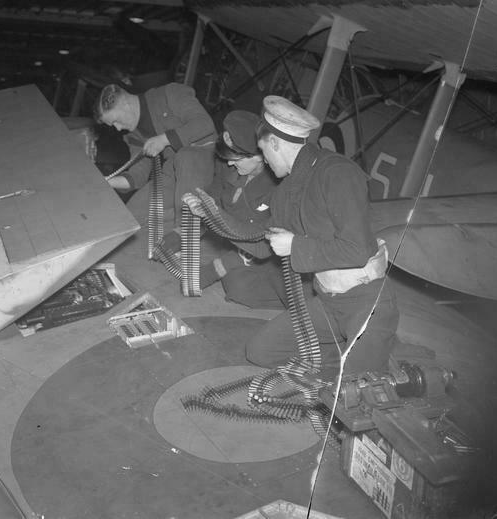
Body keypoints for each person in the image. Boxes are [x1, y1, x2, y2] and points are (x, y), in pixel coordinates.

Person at [244, 95, 399, 377]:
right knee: (260, 351)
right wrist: (212, 217)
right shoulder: (287, 189)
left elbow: (357, 250)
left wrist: (294, 245)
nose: (263, 160)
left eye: (263, 149)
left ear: (275, 143)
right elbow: (264, 246)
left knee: (355, 390)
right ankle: (351, 357)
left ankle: (375, 355)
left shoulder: (337, 173)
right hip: (327, 303)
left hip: (364, 304)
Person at [175, 110, 287, 309]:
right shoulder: (230, 166)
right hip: (240, 244)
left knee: (239, 288)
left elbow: (262, 243)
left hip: (274, 253)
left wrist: (216, 268)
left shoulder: (279, 186)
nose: (229, 163)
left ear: (261, 155)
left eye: (237, 159)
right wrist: (195, 212)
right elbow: (215, 194)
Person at [94, 82, 216, 227]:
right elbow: (138, 175)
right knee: (131, 219)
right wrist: (105, 182)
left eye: (116, 121)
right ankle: (179, 223)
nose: (118, 128)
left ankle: (183, 233)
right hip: (174, 173)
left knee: (185, 157)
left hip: (204, 158)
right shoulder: (134, 135)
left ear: (125, 103)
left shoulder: (169, 94)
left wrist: (164, 139)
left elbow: (204, 124)